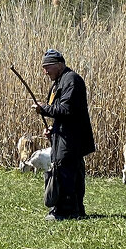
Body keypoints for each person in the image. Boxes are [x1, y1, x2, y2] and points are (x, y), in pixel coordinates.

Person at [32, 48, 95, 220]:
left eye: (48, 67)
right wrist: (54, 129)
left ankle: (65, 211)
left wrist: (43, 109)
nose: (45, 72)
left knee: (65, 172)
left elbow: (66, 109)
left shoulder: (71, 80)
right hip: (65, 136)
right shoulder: (60, 81)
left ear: (59, 65)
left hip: (72, 139)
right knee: (69, 172)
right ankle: (74, 210)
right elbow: (64, 115)